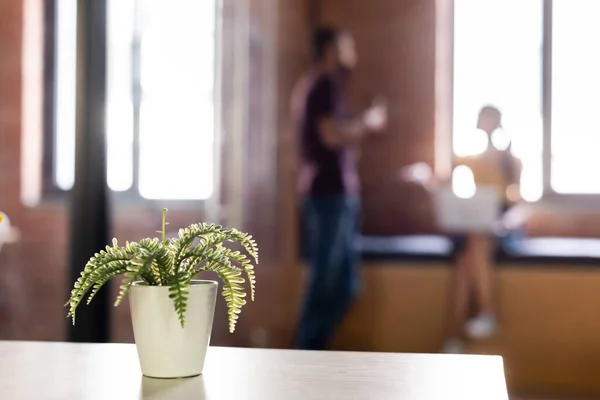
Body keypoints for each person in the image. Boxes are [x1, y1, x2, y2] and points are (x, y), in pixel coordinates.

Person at [291, 26, 388, 350]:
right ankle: (304, 359)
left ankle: (315, 353)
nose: (353, 52)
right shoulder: (323, 83)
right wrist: (369, 122)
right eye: (348, 46)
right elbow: (331, 135)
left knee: (346, 285)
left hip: (340, 196)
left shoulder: (324, 85)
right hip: (327, 195)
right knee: (324, 281)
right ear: (332, 50)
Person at [402, 105, 524, 353]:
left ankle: (456, 333)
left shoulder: (512, 160)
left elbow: (520, 205)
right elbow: (440, 183)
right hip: (477, 224)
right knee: (466, 257)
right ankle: (478, 319)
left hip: (503, 224)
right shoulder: (471, 159)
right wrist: (422, 176)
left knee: (471, 250)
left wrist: (507, 222)